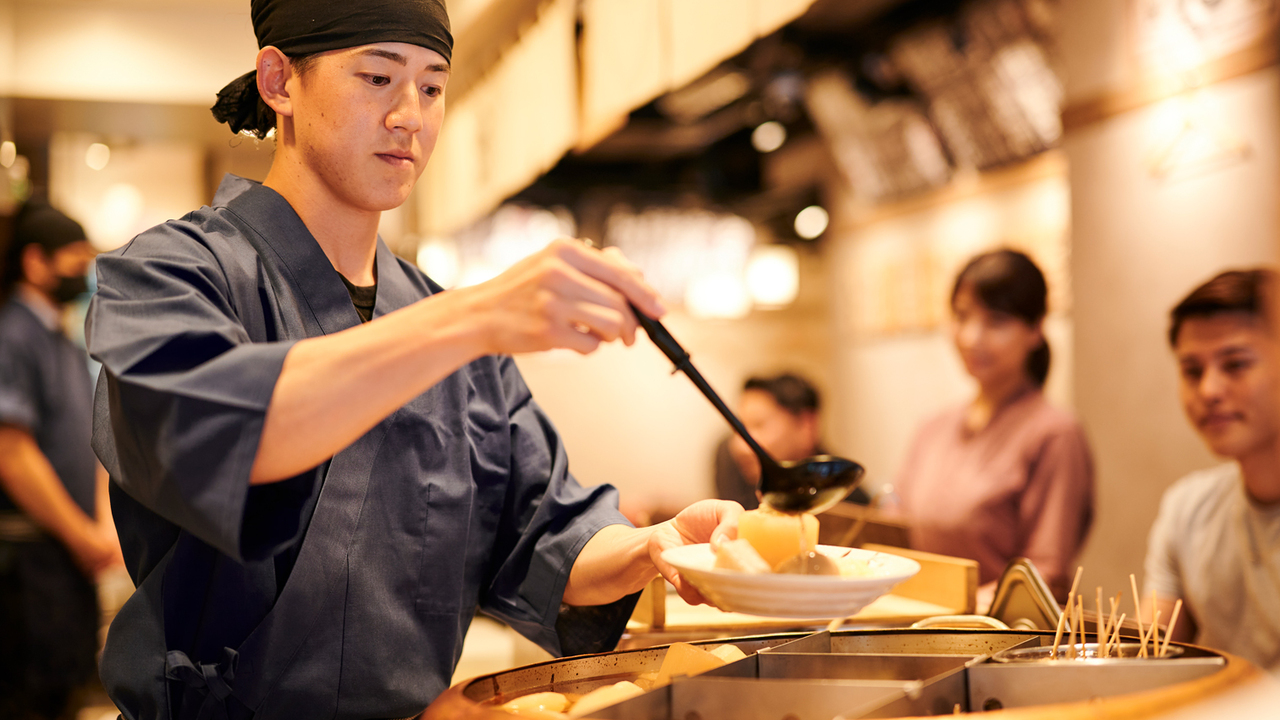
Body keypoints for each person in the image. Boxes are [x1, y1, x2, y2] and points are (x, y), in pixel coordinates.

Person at [86, 2, 739, 719]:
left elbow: (548, 534)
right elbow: (228, 435)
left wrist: (653, 547)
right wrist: (473, 316)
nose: (411, 116)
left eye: (432, 87)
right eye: (376, 77)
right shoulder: (167, 276)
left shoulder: (445, 324)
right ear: (279, 82)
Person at [891, 249, 1094, 603]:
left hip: (1009, 642)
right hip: (924, 625)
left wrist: (957, 607)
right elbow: (896, 526)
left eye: (996, 321)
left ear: (1036, 329)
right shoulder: (933, 428)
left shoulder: (1054, 434)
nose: (972, 337)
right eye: (962, 317)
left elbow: (1045, 573)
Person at [0, 201, 123, 719]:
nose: (85, 270)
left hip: (70, 562)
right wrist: (81, 534)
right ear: (35, 262)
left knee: (64, 694)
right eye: (75, 258)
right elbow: (12, 451)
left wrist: (102, 530)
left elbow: (90, 441)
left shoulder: (66, 342)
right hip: (26, 567)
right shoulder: (13, 335)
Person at [1142, 268, 1280, 673]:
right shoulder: (1187, 510)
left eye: (1235, 364)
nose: (1209, 391)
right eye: (1192, 371)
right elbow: (1151, 662)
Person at [714, 372, 870, 509]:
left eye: (759, 425)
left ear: (806, 427)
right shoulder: (731, 465)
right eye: (738, 428)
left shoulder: (849, 500)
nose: (740, 447)